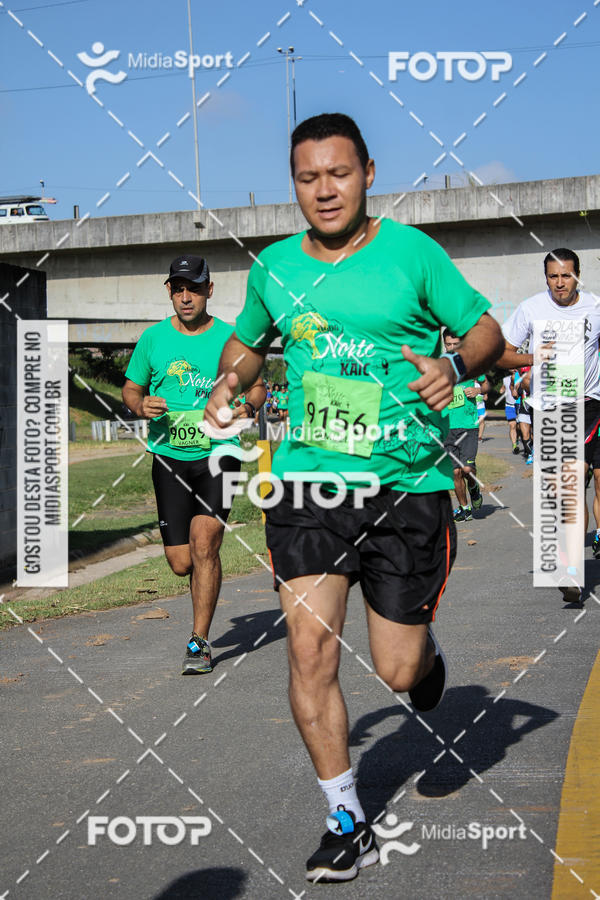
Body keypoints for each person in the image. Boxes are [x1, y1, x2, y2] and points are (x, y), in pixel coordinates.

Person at [204, 113, 503, 882]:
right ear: (294, 185)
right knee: (308, 647)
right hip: (309, 480)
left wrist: (456, 369)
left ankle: (426, 665)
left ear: (369, 172)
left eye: (338, 174)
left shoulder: (413, 254)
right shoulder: (272, 266)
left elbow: (484, 333)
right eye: (308, 178)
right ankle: (345, 817)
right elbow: (249, 344)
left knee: (398, 672)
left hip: (404, 482)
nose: (324, 190)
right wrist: (229, 381)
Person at [122, 255, 265, 674]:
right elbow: (131, 390)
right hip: (168, 457)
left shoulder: (231, 339)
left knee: (205, 544)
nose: (186, 297)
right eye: (178, 288)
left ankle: (199, 642)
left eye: (195, 288)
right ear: (170, 291)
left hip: (219, 454)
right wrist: (140, 405)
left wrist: (246, 406)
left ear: (209, 290)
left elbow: (258, 386)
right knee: (181, 561)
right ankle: (200, 597)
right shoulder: (152, 339)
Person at [498, 248, 600, 601]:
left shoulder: (595, 307)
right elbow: (500, 352)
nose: (560, 283)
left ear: (578, 275)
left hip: (589, 405)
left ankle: (572, 571)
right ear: (546, 278)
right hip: (552, 410)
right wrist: (532, 357)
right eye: (553, 276)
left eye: (566, 275)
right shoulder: (530, 309)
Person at [443, 330, 489, 521]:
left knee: (467, 470)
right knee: (455, 472)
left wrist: (477, 389)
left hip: (468, 426)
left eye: (456, 344)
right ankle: (464, 508)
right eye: (448, 344)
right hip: (447, 427)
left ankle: (474, 487)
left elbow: (486, 386)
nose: (452, 348)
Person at [501, 370, 521, 454]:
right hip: (509, 405)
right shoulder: (505, 379)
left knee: (519, 427)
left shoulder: (521, 378)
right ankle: (514, 445)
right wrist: (502, 390)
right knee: (512, 425)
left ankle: (517, 437)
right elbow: (503, 388)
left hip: (520, 405)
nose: (514, 369)